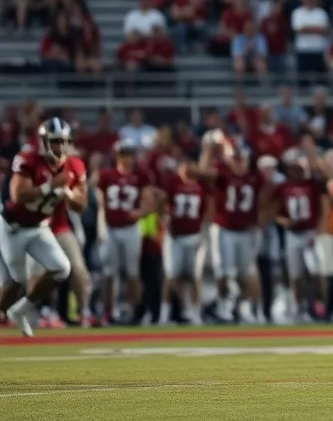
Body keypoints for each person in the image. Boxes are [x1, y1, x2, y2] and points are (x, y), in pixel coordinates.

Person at [0, 118, 87, 337]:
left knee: (62, 268)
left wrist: (67, 192)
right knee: (16, 282)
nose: (59, 146)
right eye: (54, 141)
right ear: (43, 141)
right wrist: (51, 186)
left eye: (62, 141)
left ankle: (21, 311)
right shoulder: (28, 159)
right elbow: (17, 196)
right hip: (14, 227)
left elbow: (81, 205)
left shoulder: (74, 165)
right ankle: (8, 309)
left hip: (39, 226)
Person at [199, 132, 265, 324]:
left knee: (245, 273)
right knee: (223, 272)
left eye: (241, 159)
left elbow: (263, 202)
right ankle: (224, 306)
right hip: (224, 229)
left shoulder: (255, 178)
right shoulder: (223, 174)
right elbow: (203, 172)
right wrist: (209, 152)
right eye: (235, 159)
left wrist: (258, 222)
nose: (238, 163)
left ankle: (244, 307)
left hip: (246, 231)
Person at [97, 139, 160, 323]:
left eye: (130, 154)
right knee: (109, 273)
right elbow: (101, 204)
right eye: (124, 154)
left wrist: (139, 212)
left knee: (132, 273)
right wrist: (102, 227)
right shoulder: (106, 176)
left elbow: (151, 203)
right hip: (111, 227)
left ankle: (134, 311)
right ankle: (108, 311)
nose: (128, 158)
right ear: (117, 156)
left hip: (131, 228)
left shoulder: (142, 176)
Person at [263, 154, 328, 322]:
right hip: (292, 235)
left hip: (309, 232)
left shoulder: (312, 183)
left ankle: (319, 305)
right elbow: (271, 208)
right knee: (296, 275)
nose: (297, 171)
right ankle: (301, 308)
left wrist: (320, 226)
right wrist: (282, 220)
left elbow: (324, 196)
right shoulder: (283, 187)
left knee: (315, 271)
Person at [161, 159, 212, 324]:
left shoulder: (202, 187)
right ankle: (165, 314)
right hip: (174, 235)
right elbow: (162, 203)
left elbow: (208, 211)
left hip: (193, 235)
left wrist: (202, 233)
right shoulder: (172, 184)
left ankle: (195, 312)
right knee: (171, 276)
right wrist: (166, 222)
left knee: (193, 276)